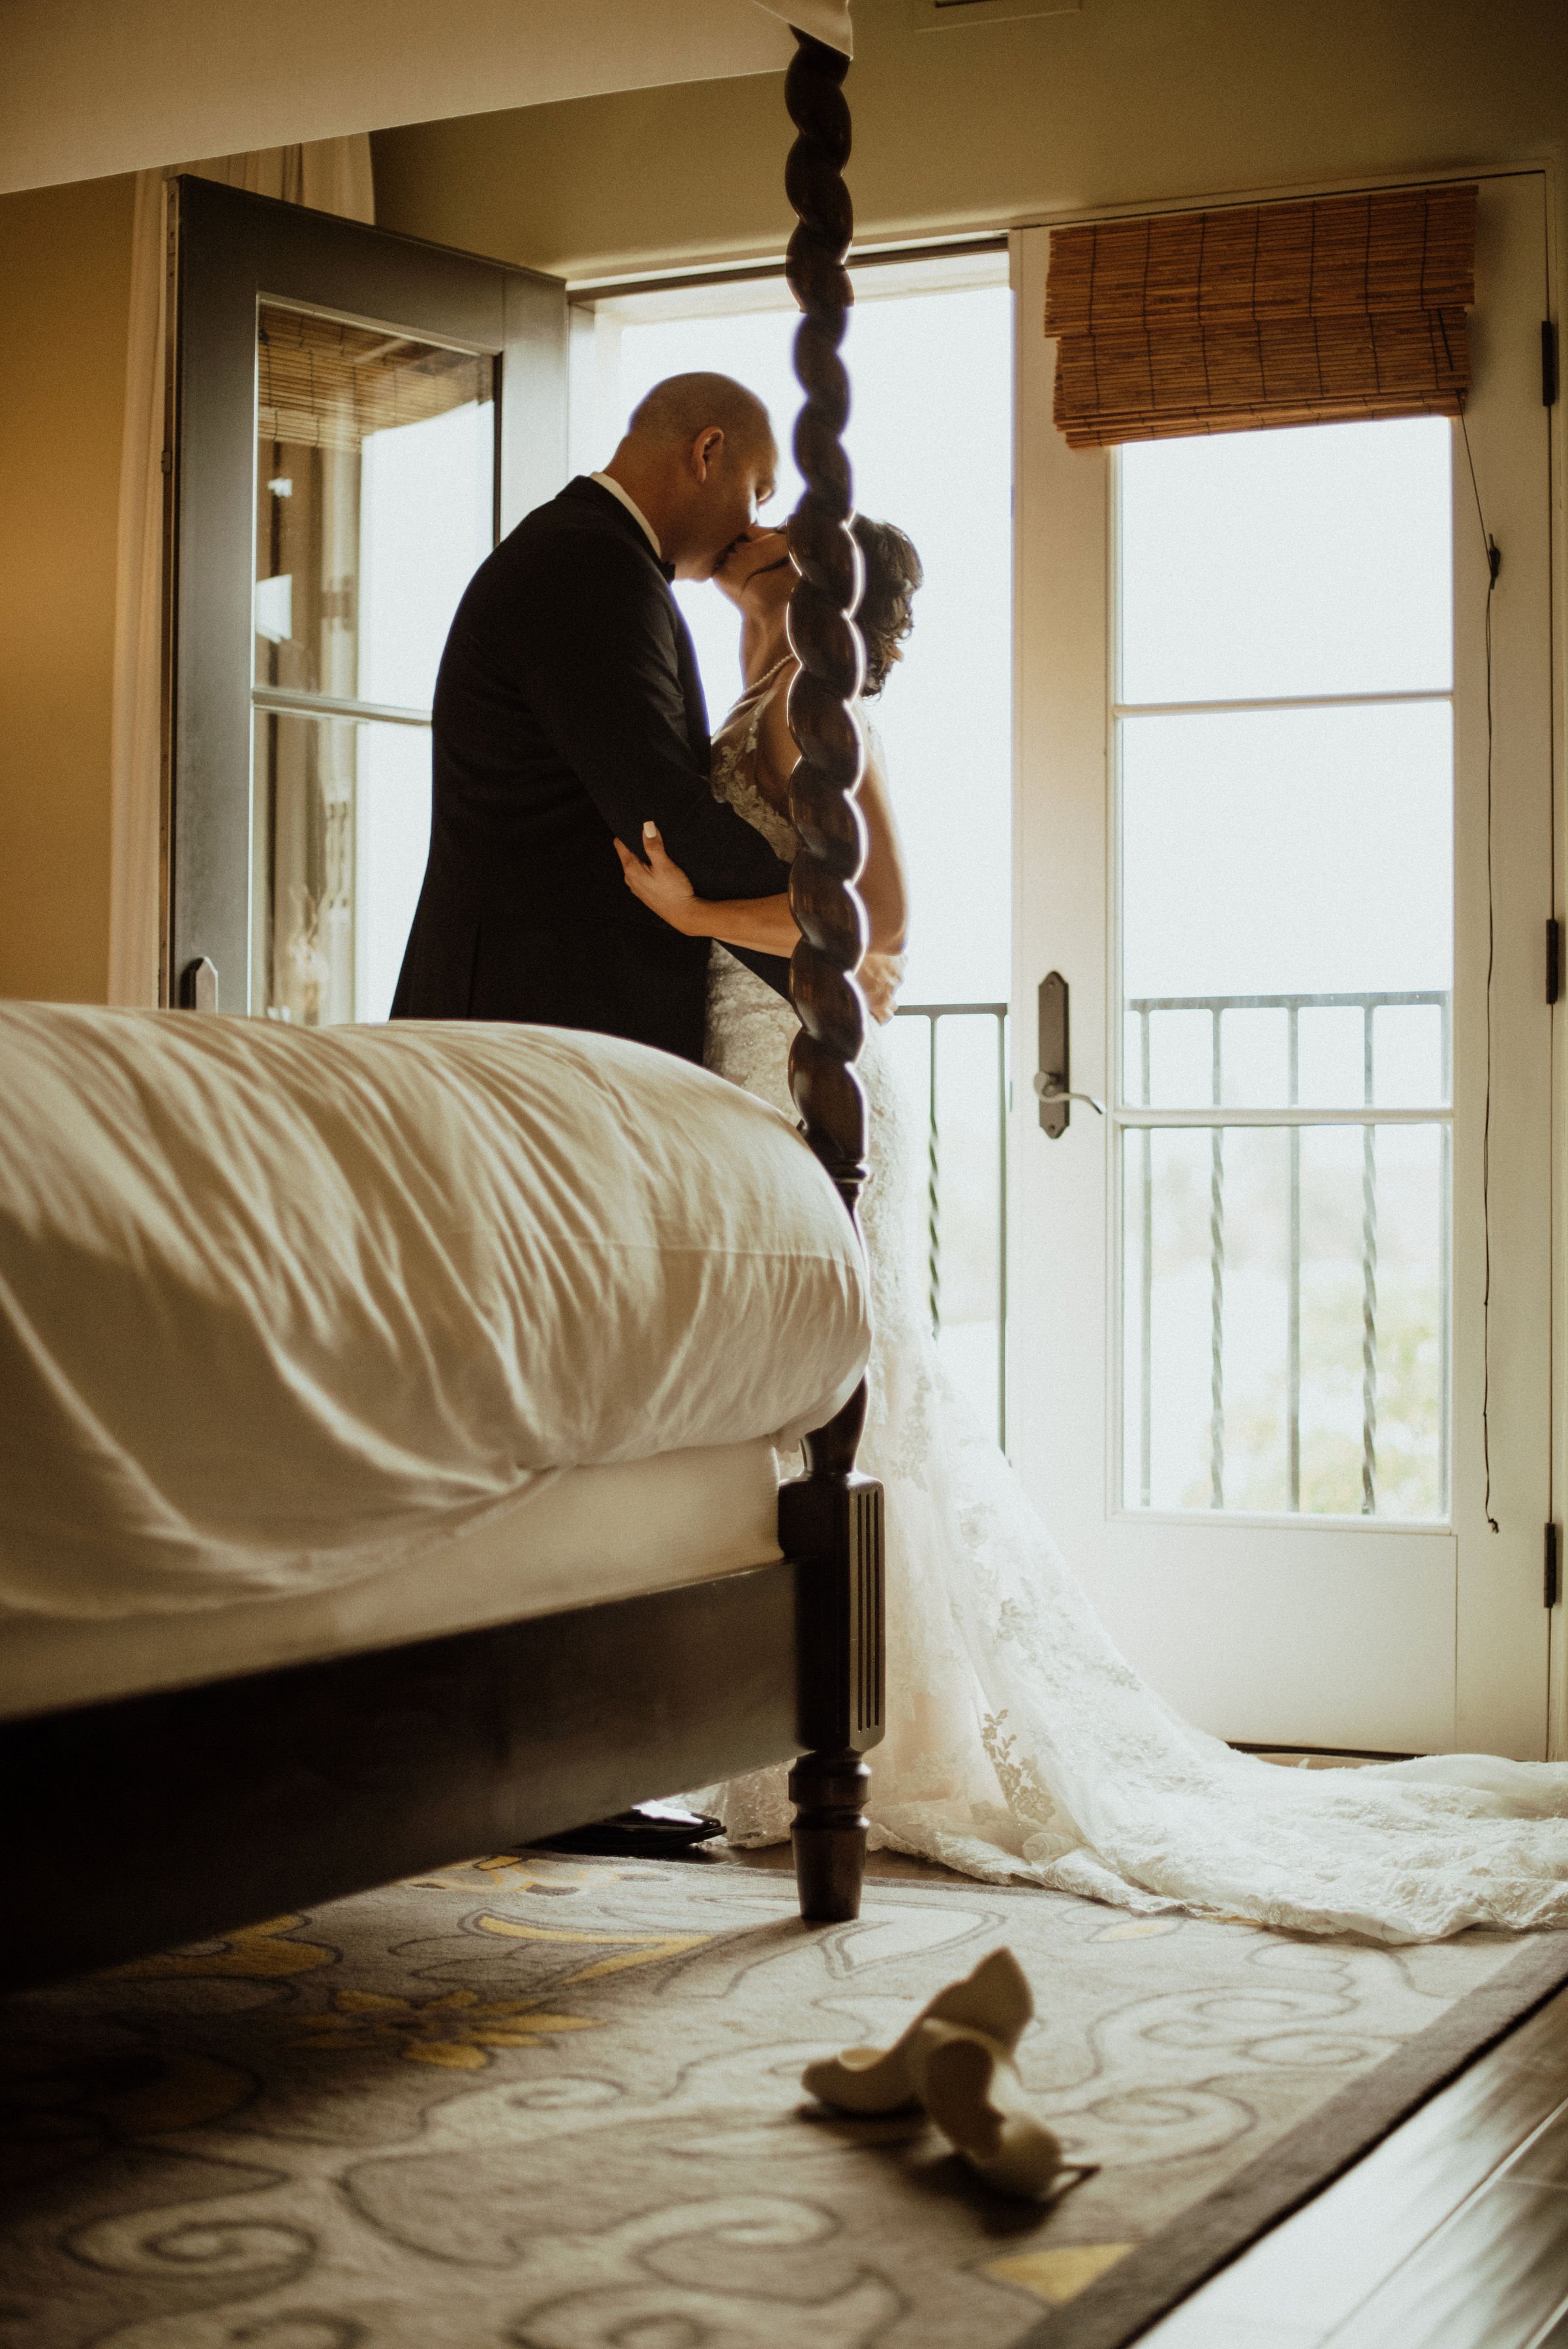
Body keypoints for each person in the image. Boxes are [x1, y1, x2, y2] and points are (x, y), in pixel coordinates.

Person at [617, 511, 1568, 1944]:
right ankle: (809, 1722)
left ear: (801, 589)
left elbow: (878, 942)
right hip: (742, 1068)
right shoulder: (753, 706)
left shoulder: (823, 715)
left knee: (857, 1401)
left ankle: (890, 1739)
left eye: (768, 548)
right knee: (804, 1399)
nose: (741, 554)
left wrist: (700, 909)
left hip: (804, 1070)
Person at [393, 373, 895, 1055]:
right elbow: (662, 812)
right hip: (531, 1024)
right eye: (760, 492)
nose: (752, 525)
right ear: (707, 452)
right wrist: (828, 940)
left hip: (539, 1020)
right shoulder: (591, 565)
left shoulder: (588, 553)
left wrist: (820, 932)